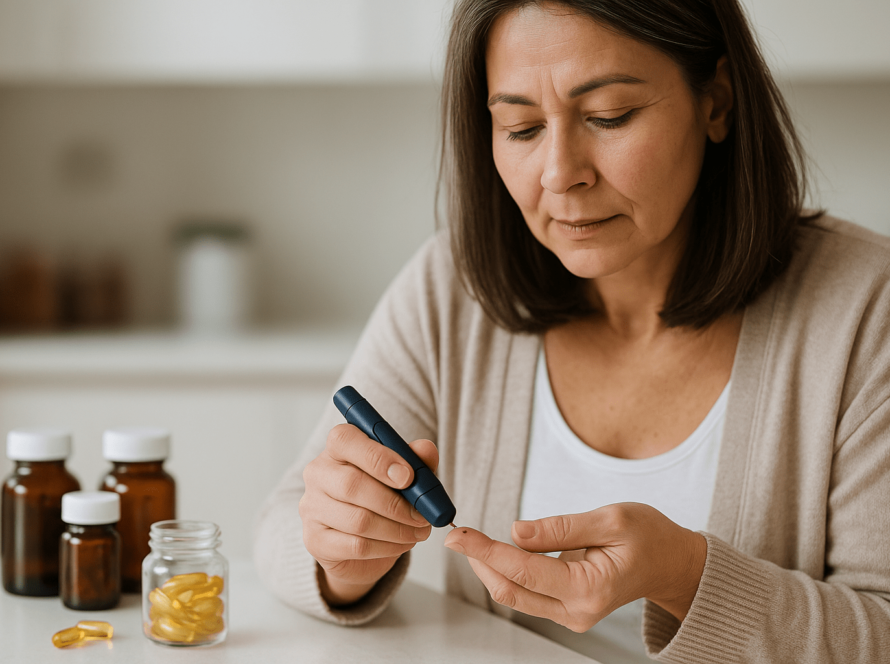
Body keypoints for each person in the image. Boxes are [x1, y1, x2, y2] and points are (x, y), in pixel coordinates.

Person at [254, 1, 890, 661]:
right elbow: (283, 525)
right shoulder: (453, 286)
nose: (561, 174)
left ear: (718, 102)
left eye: (608, 116)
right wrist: (345, 560)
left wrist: (687, 577)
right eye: (522, 127)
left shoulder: (869, 308)